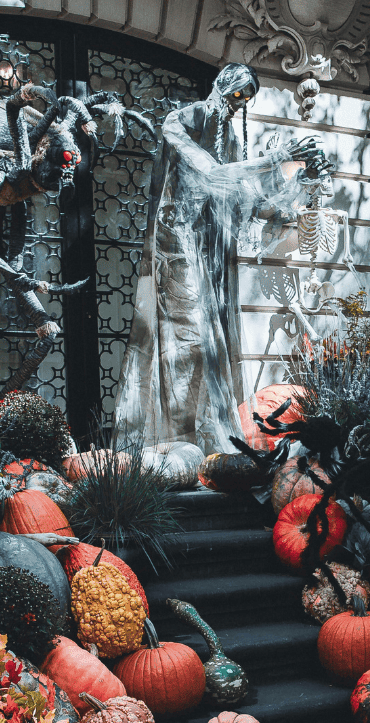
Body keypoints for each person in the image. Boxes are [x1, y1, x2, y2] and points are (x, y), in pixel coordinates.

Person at [113, 62, 326, 453]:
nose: (238, 102)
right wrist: (274, 160)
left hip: (207, 255)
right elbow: (211, 174)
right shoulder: (179, 121)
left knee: (208, 345)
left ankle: (195, 441)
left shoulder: (229, 138)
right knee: (189, 340)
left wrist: (301, 179)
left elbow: (248, 200)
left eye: (246, 98)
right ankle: (177, 441)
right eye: (238, 92)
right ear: (220, 84)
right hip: (176, 244)